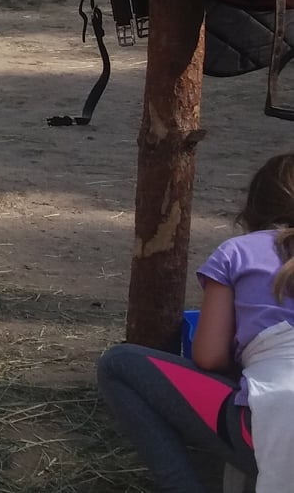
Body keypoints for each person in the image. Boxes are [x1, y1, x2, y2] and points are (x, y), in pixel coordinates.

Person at [96, 152, 294, 492]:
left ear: (253, 209)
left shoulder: (238, 252)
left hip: (270, 431)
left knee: (118, 364)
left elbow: (209, 356)